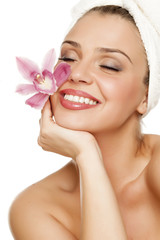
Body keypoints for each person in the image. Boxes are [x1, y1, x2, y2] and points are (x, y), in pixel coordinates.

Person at [9, 1, 160, 239]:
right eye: (68, 58)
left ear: (146, 96)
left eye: (109, 66)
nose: (76, 74)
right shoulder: (34, 208)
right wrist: (87, 156)